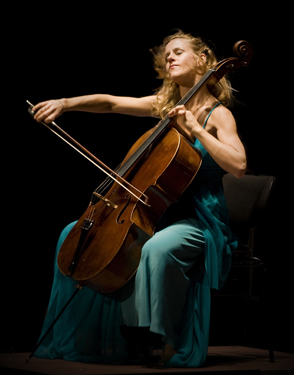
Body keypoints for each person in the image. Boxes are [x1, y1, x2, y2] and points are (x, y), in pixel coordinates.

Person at [31, 30, 246, 368]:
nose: (169, 58)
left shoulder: (218, 115)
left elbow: (238, 166)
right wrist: (65, 103)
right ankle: (100, 339)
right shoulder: (165, 107)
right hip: (156, 212)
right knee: (74, 234)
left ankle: (164, 340)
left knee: (156, 249)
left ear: (203, 60)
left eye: (178, 52)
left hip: (197, 218)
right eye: (166, 55)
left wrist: (199, 128)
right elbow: (111, 102)